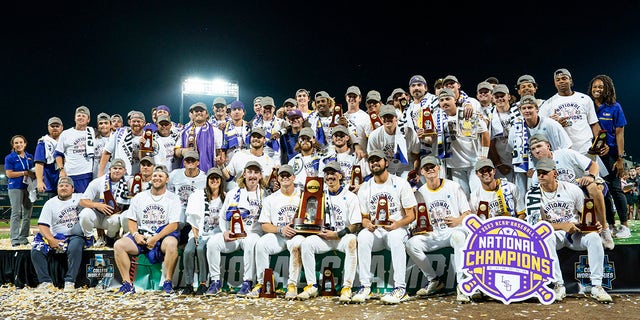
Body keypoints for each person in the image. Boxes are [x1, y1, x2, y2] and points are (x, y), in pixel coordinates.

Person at [527, 158, 612, 303]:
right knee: (545, 239)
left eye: (544, 172)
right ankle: (558, 285)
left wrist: (592, 225)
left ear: (554, 173)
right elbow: (535, 226)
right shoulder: (532, 195)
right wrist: (562, 226)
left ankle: (597, 286)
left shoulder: (571, 189)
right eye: (539, 173)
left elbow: (586, 215)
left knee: (594, 238)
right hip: (555, 234)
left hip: (575, 233)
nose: (540, 176)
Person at [528, 134, 615, 249]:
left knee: (593, 187)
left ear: (548, 146)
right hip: (564, 202)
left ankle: (605, 230)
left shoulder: (565, 154)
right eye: (533, 149)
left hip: (581, 190)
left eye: (539, 146)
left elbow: (593, 165)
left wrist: (591, 177)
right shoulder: (536, 175)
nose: (537, 151)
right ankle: (581, 231)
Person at [353, 150, 417, 304]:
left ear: (386, 163)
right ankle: (365, 286)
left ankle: (400, 288)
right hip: (377, 232)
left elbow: (411, 215)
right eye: (371, 161)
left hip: (396, 229)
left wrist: (397, 224)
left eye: (378, 160)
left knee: (395, 237)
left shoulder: (400, 183)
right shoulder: (365, 187)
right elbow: (364, 218)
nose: (374, 163)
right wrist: (367, 224)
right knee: (362, 236)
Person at [405, 156, 473, 303]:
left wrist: (457, 220)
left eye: (433, 167)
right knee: (411, 244)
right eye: (426, 168)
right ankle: (434, 280)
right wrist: (417, 228)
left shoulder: (453, 186)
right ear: (422, 172)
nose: (430, 170)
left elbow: (468, 213)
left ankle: (462, 286)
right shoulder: (420, 192)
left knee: (459, 238)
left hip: (453, 231)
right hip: (433, 234)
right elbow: (418, 219)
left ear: (439, 168)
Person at [298, 161, 362, 302]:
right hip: (324, 238)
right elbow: (310, 218)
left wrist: (337, 234)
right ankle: (312, 285)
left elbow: (356, 224)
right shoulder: (319, 194)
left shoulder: (350, 196)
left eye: (333, 173)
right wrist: (314, 230)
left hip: (341, 237)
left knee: (352, 241)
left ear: (340, 176)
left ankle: (347, 287)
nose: (330, 176)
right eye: (327, 174)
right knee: (307, 243)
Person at [113, 165, 181, 295]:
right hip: (142, 236)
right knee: (119, 245)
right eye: (155, 176)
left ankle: (168, 282)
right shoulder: (140, 197)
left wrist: (156, 238)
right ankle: (127, 284)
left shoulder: (173, 198)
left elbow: (174, 225)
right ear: (151, 179)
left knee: (172, 244)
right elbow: (131, 220)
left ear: (167, 179)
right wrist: (135, 234)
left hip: (161, 237)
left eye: (161, 176)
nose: (157, 178)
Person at [205, 161, 265, 296]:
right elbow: (222, 217)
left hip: (252, 232)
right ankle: (215, 281)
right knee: (213, 243)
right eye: (249, 172)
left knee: (250, 242)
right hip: (234, 233)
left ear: (260, 176)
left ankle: (247, 282)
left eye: (256, 172)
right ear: (244, 174)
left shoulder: (264, 194)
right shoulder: (233, 193)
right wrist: (224, 231)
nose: (252, 175)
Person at [248, 164, 304, 299]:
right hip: (279, 235)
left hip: (298, 235)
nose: (285, 178)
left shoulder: (302, 196)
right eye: (282, 176)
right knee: (261, 244)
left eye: (288, 175)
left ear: (294, 177)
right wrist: (280, 229)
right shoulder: (270, 199)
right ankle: (262, 282)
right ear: (277, 178)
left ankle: (292, 285)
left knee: (296, 245)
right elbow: (265, 226)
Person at [588, 74, 631, 239]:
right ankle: (611, 225)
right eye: (595, 86)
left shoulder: (615, 107)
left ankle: (624, 225)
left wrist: (620, 158)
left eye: (601, 87)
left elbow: (619, 134)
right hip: (592, 156)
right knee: (601, 191)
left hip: (611, 155)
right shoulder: (588, 105)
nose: (597, 89)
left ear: (607, 89)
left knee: (615, 189)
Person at [508, 95, 572, 196]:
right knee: (534, 196)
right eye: (524, 108)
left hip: (554, 167)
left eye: (530, 107)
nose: (527, 111)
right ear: (520, 110)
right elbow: (513, 151)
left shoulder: (551, 124)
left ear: (537, 109)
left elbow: (567, 147)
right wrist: (525, 170)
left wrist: (558, 167)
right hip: (533, 169)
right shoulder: (516, 128)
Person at [431, 88, 489, 196]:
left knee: (478, 195)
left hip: (473, 163)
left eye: (448, 99)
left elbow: (485, 132)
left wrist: (484, 155)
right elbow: (431, 138)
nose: (445, 102)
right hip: (455, 166)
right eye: (442, 100)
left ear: (455, 100)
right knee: (463, 196)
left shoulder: (467, 112)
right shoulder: (436, 118)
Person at [30, 177, 83, 292]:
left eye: (66, 186)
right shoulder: (50, 203)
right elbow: (43, 225)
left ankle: (70, 281)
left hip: (74, 235)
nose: (63, 188)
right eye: (61, 186)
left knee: (75, 247)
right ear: (57, 188)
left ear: (73, 189)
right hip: (56, 235)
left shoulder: (80, 198)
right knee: (36, 250)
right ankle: (45, 282)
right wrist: (50, 239)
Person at [182, 167, 226, 295]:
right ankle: (189, 284)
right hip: (199, 232)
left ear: (221, 181)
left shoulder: (225, 198)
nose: (214, 180)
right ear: (207, 180)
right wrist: (196, 235)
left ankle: (203, 283)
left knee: (201, 249)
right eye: (211, 178)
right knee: (188, 250)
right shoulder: (198, 195)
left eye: (217, 178)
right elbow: (192, 216)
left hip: (215, 235)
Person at [540, 68, 602, 157]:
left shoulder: (585, 99)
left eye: (564, 78)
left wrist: (601, 143)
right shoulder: (548, 104)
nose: (561, 81)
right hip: (563, 152)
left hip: (586, 149)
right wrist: (555, 125)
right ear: (555, 83)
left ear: (571, 80)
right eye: (557, 80)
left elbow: (594, 124)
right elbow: (541, 130)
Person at [78, 158, 129, 247]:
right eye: (115, 168)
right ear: (109, 169)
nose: (117, 171)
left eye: (120, 169)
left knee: (115, 220)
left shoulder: (128, 183)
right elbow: (82, 201)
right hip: (97, 215)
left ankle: (110, 238)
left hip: (112, 216)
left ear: (125, 171)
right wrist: (97, 205)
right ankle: (89, 238)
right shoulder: (98, 182)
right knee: (84, 214)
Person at [367, 104, 420, 179]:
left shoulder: (409, 132)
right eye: (384, 117)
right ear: (380, 119)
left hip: (406, 169)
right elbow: (372, 159)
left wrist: (415, 172)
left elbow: (416, 155)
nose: (387, 119)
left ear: (396, 118)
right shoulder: (374, 135)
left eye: (390, 116)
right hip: (386, 171)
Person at [221, 127, 277, 192]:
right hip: (241, 194)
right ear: (250, 139)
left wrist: (273, 186)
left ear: (264, 140)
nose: (256, 139)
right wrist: (221, 165)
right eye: (253, 136)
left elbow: (269, 185)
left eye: (259, 137)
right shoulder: (239, 155)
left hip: (260, 197)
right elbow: (228, 177)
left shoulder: (270, 162)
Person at [168, 150, 206, 244]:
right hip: (179, 207)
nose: (190, 163)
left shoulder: (204, 177)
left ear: (198, 162)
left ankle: (195, 241)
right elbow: (169, 191)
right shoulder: (175, 174)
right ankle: (174, 243)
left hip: (195, 209)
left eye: (193, 161)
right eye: (188, 161)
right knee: (177, 219)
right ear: (184, 162)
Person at [55, 106, 95, 193]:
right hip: (70, 174)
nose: (80, 117)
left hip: (87, 174)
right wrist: (61, 170)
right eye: (78, 115)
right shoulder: (65, 134)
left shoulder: (92, 131)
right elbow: (58, 154)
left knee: (85, 201)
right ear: (75, 118)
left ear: (88, 119)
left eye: (83, 116)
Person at [4, 135, 35, 247]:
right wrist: (24, 173)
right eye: (16, 143)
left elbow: (32, 171)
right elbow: (9, 174)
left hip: (28, 187)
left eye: (21, 142)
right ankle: (14, 238)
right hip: (15, 187)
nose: (19, 144)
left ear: (25, 144)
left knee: (27, 212)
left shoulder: (29, 157)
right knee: (16, 213)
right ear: (13, 145)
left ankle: (23, 236)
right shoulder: (10, 157)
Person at [319, 125, 370, 192]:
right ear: (332, 138)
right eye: (336, 136)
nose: (339, 138)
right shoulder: (325, 159)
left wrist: (361, 186)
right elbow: (321, 180)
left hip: (354, 193)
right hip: (334, 195)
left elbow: (368, 176)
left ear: (347, 138)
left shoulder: (358, 156)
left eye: (342, 135)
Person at [176, 102, 224, 173]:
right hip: (188, 171)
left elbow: (219, 151)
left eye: (201, 111)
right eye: (196, 111)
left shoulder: (216, 131)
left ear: (207, 114)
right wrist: (182, 151)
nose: (199, 112)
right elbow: (176, 151)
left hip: (207, 171)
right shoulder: (184, 132)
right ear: (192, 114)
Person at [98, 110, 146, 178]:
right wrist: (100, 172)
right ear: (129, 122)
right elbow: (107, 152)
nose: (136, 123)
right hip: (119, 174)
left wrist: (142, 148)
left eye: (138, 121)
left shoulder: (147, 137)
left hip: (138, 175)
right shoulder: (120, 133)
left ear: (144, 123)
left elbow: (145, 160)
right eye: (133, 121)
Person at [34, 117, 63, 195]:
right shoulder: (43, 142)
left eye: (57, 126)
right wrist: (39, 181)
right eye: (52, 126)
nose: (55, 128)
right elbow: (39, 163)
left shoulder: (67, 140)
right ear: (48, 127)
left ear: (62, 127)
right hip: (52, 181)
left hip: (68, 180)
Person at [251, 96, 284, 164]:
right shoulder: (254, 122)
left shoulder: (280, 122)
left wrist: (280, 132)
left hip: (275, 159)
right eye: (265, 107)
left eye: (270, 108)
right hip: (258, 158)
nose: (267, 110)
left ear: (274, 109)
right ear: (261, 109)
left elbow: (290, 127)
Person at [221, 100, 251, 165]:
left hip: (246, 160)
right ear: (230, 113)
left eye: (239, 109)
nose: (236, 111)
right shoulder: (225, 127)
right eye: (234, 109)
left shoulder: (249, 127)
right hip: (230, 161)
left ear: (243, 112)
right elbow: (223, 146)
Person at [93, 113, 112, 178]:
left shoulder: (116, 139)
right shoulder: (93, 139)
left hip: (112, 176)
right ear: (98, 126)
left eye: (106, 123)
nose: (103, 125)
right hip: (95, 175)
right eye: (101, 123)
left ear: (111, 125)